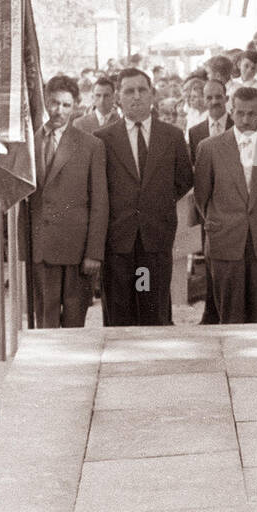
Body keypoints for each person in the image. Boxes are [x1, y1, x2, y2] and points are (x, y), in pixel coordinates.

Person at [94, 68, 194, 326]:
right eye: (129, 91)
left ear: (152, 95)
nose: (136, 96)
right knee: (119, 313)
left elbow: (183, 179)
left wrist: (155, 201)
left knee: (153, 307)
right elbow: (98, 187)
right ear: (119, 98)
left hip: (154, 240)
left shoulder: (172, 136)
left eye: (142, 90)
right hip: (118, 242)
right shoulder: (102, 139)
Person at [192, 87, 257, 323]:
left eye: (252, 114)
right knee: (229, 314)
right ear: (231, 111)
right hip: (225, 239)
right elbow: (202, 196)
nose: (245, 120)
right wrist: (221, 223)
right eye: (240, 113)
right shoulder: (209, 147)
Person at [31, 75, 108, 328]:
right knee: (46, 324)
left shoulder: (91, 145)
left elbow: (99, 203)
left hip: (77, 252)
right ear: (45, 102)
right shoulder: (30, 143)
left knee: (75, 324)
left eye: (66, 105)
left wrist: (94, 253)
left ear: (75, 106)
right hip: (42, 249)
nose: (59, 111)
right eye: (53, 103)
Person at [187, 78, 233, 326]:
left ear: (226, 98)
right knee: (210, 259)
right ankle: (211, 311)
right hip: (210, 209)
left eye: (219, 97)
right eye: (209, 98)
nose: (214, 102)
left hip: (236, 206)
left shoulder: (239, 125)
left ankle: (229, 310)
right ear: (203, 101)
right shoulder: (195, 132)